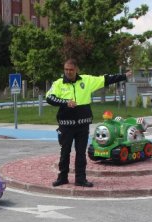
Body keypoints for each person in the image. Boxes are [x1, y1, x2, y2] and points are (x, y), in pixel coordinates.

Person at [46, 59, 131, 187]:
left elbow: (105, 79)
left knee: (81, 153)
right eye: (66, 69)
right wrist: (65, 102)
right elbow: (49, 98)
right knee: (65, 152)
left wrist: (124, 76)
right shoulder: (58, 83)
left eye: (71, 69)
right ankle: (62, 177)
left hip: (82, 125)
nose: (68, 72)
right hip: (66, 125)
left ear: (76, 70)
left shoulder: (86, 80)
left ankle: (80, 179)